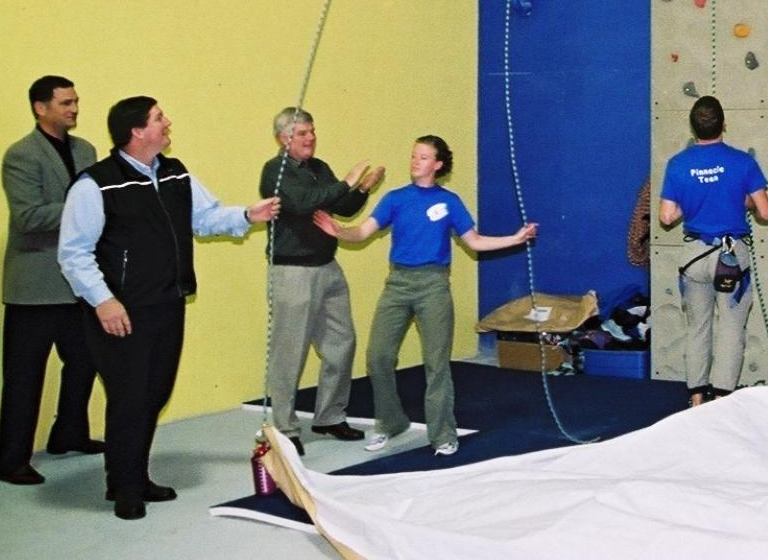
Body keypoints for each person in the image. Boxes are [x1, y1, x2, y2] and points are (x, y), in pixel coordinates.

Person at [58, 97, 279, 520]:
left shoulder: (175, 174)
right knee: (128, 397)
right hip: (120, 311)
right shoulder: (95, 185)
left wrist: (250, 214)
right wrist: (103, 301)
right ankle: (124, 488)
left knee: (153, 394)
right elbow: (74, 254)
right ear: (137, 131)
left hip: (167, 302)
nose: (168, 122)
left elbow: (207, 218)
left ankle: (134, 477)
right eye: (159, 118)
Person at [313, 136, 534, 457]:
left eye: (424, 157)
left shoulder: (450, 201)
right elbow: (362, 232)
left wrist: (515, 239)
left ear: (438, 164)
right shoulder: (395, 198)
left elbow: (474, 241)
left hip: (433, 285)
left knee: (436, 362)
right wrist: (340, 232)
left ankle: (443, 433)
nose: (416, 161)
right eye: (414, 155)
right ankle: (390, 422)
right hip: (397, 284)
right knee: (378, 356)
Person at [0, 75, 103, 485]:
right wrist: (85, 206)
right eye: (65, 103)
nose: (74, 109)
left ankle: (69, 432)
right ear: (41, 108)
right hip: (34, 287)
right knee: (24, 377)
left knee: (86, 361)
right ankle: (12, 461)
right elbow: (27, 217)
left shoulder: (86, 149)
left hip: (77, 282)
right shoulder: (21, 155)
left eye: (76, 101)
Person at [261, 107, 385, 455]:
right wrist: (346, 181)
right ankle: (284, 427)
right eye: (302, 134)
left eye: (312, 131)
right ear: (283, 138)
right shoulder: (276, 171)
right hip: (293, 271)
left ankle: (330, 416)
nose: (310, 138)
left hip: (327, 266)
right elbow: (302, 204)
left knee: (341, 342)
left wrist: (360, 190)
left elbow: (340, 207)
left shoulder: (318, 167)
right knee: (290, 351)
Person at [656, 95, 768, 406]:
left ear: (693, 129)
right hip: (732, 257)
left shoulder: (678, 164)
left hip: (694, 255)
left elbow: (666, 216)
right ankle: (722, 399)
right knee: (732, 329)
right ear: (724, 124)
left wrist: (693, 201)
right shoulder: (743, 163)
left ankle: (696, 397)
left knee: (698, 327)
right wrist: (741, 199)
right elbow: (765, 213)